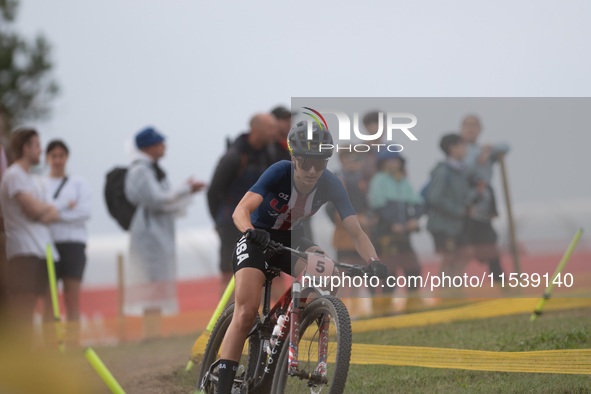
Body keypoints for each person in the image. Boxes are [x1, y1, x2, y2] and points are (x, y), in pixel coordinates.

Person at [215, 121, 388, 394]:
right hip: (257, 237)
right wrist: (250, 231)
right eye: (305, 162)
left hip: (292, 239)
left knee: (326, 269)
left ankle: (292, 327)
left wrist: (374, 261)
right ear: (294, 158)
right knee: (247, 311)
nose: (311, 170)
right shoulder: (279, 171)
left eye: (319, 164)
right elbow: (241, 210)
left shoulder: (331, 183)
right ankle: (223, 387)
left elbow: (355, 231)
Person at [124, 127, 205, 338]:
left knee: (157, 283)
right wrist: (185, 189)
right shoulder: (140, 171)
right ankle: (150, 332)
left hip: (160, 235)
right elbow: (159, 200)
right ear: (150, 146)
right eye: (160, 143)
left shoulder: (152, 170)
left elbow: (167, 201)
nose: (164, 146)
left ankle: (154, 331)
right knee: (150, 283)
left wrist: (186, 191)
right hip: (149, 236)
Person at [207, 114, 278, 293]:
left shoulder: (269, 154)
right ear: (255, 129)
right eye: (270, 128)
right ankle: (224, 317)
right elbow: (214, 191)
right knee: (229, 270)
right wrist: (218, 221)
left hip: (260, 222)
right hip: (231, 222)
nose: (274, 132)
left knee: (268, 268)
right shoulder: (234, 156)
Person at [0, 128, 60, 329]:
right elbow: (33, 209)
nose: (41, 150)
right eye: (37, 145)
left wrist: (43, 209)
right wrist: (43, 209)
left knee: (46, 302)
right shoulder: (14, 174)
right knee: (23, 305)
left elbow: (54, 213)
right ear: (26, 148)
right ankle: (21, 353)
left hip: (40, 248)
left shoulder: (33, 179)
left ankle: (46, 350)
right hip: (23, 250)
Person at [41, 140, 91, 347]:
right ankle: (51, 343)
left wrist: (54, 212)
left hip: (73, 245)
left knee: (72, 298)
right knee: (48, 300)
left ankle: (72, 342)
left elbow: (84, 213)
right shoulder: (40, 184)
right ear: (47, 158)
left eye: (61, 155)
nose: (57, 160)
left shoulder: (78, 183)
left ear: (67, 157)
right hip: (47, 245)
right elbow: (38, 213)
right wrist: (65, 207)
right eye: (53, 156)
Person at [368, 150, 423, 313]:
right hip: (385, 236)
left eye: (396, 160)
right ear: (383, 163)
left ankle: (412, 307)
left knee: (413, 269)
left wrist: (414, 218)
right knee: (389, 273)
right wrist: (394, 223)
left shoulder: (403, 181)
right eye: (389, 160)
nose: (394, 163)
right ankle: (386, 310)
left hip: (403, 236)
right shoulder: (378, 180)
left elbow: (418, 203)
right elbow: (378, 205)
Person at [325, 148, 373, 317]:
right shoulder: (337, 180)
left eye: (361, 158)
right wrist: (356, 220)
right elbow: (330, 210)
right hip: (344, 238)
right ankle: (342, 313)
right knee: (343, 276)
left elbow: (367, 205)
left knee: (358, 275)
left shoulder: (361, 182)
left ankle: (356, 311)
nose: (359, 162)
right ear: (344, 159)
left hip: (361, 237)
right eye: (355, 158)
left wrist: (368, 217)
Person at [461, 115, 509, 281]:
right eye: (467, 125)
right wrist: (479, 156)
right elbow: (466, 171)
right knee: (463, 253)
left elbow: (506, 147)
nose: (470, 128)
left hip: (484, 210)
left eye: (474, 125)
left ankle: (505, 290)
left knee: (492, 252)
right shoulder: (460, 151)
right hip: (466, 210)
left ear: (480, 129)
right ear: (461, 129)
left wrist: (488, 150)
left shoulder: (485, 150)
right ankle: (449, 293)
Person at [426, 133, 470, 278]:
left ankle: (454, 289)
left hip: (455, 225)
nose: (465, 149)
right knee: (449, 258)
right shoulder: (443, 171)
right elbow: (435, 197)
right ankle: (446, 293)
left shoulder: (460, 171)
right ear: (452, 148)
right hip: (442, 225)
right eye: (462, 145)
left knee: (465, 253)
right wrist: (458, 210)